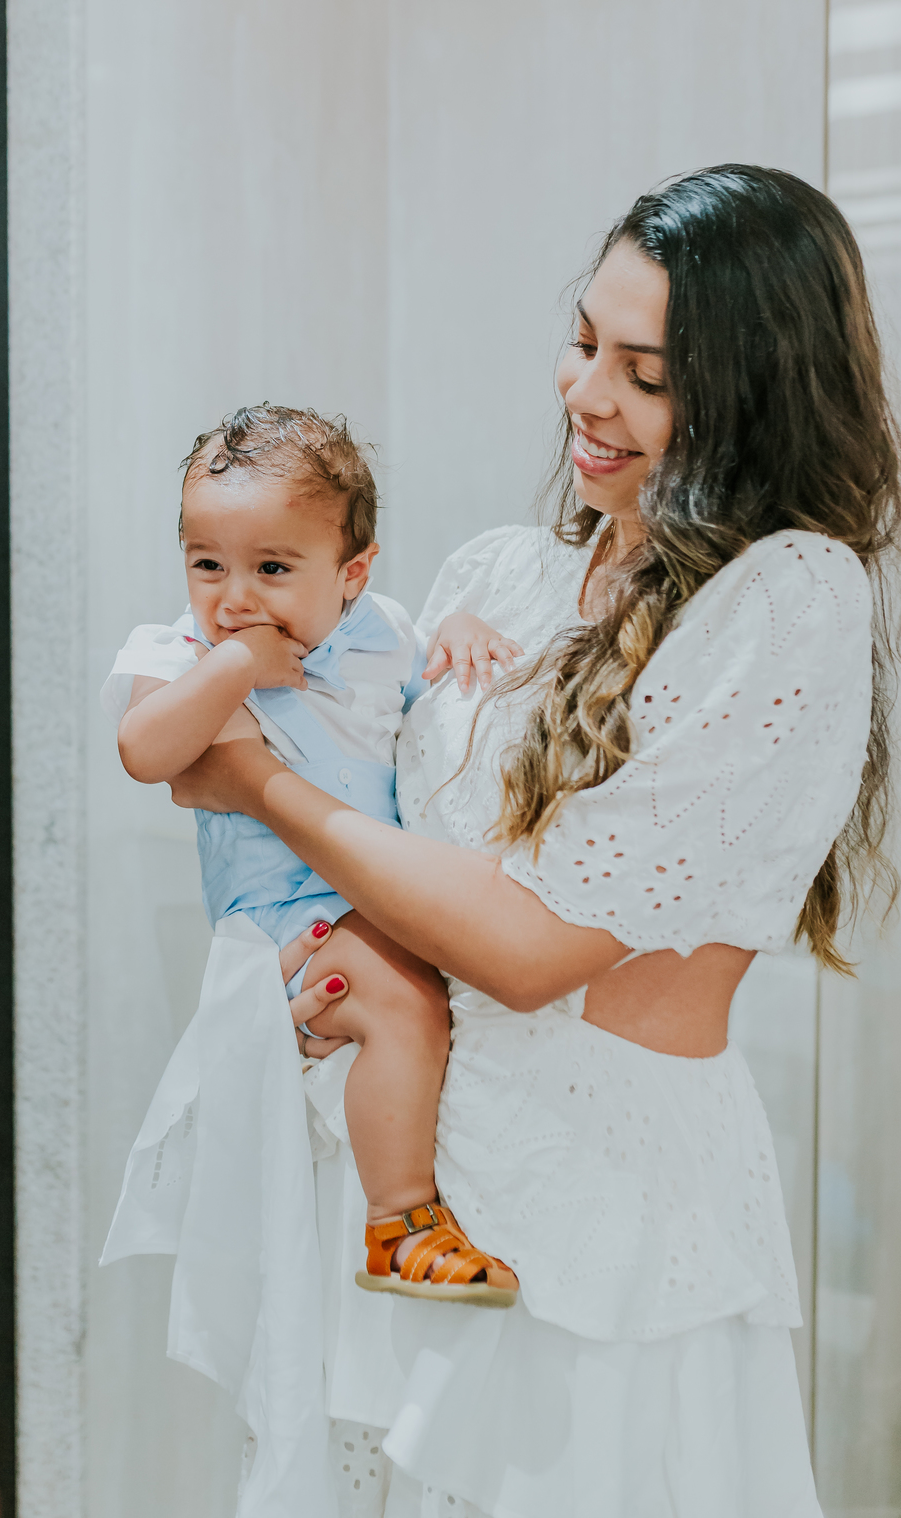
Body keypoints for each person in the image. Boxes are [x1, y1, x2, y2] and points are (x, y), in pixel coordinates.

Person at [169, 166, 897, 1517]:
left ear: (757, 395)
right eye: (581, 342)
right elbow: (387, 825)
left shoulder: (790, 594)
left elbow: (529, 947)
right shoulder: (499, 573)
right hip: (407, 1189)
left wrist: (256, 783)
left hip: (596, 1212)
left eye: (647, 373)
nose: (587, 394)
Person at [101, 408, 520, 1509]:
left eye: (273, 568)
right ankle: (401, 1218)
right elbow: (145, 749)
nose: (235, 595)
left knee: (427, 998)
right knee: (406, 1005)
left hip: (377, 892)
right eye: (208, 563)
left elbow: (433, 707)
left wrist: (458, 629)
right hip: (280, 923)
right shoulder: (181, 652)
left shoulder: (381, 631)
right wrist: (235, 666)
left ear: (353, 572)